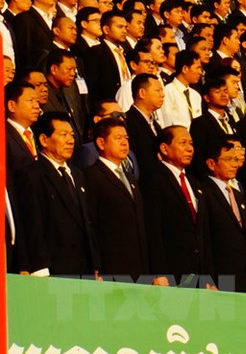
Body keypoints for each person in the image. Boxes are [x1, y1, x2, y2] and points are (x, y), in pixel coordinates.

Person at [18, 112, 98, 277]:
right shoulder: (32, 174)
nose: (70, 140)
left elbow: (87, 223)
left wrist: (95, 264)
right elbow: (33, 224)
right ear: (43, 140)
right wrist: (39, 268)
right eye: (63, 135)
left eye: (72, 135)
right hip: (54, 269)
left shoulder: (77, 174)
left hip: (84, 269)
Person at [83, 117, 153, 283]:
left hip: (139, 267)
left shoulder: (130, 177)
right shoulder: (91, 176)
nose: (124, 143)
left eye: (126, 138)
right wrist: (96, 265)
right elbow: (91, 224)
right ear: (101, 142)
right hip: (111, 269)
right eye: (118, 138)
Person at [142, 126, 210, 286]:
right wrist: (159, 272)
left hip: (198, 276)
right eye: (183, 143)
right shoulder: (153, 179)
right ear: (164, 148)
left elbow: (203, 233)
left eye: (191, 144)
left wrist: (208, 277)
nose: (189, 149)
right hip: (171, 273)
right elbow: (153, 229)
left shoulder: (194, 183)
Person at [200, 136, 246, 294]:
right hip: (220, 277)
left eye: (236, 159)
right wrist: (208, 278)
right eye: (228, 159)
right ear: (211, 163)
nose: (234, 164)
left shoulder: (237, 194)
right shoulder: (203, 193)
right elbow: (205, 239)